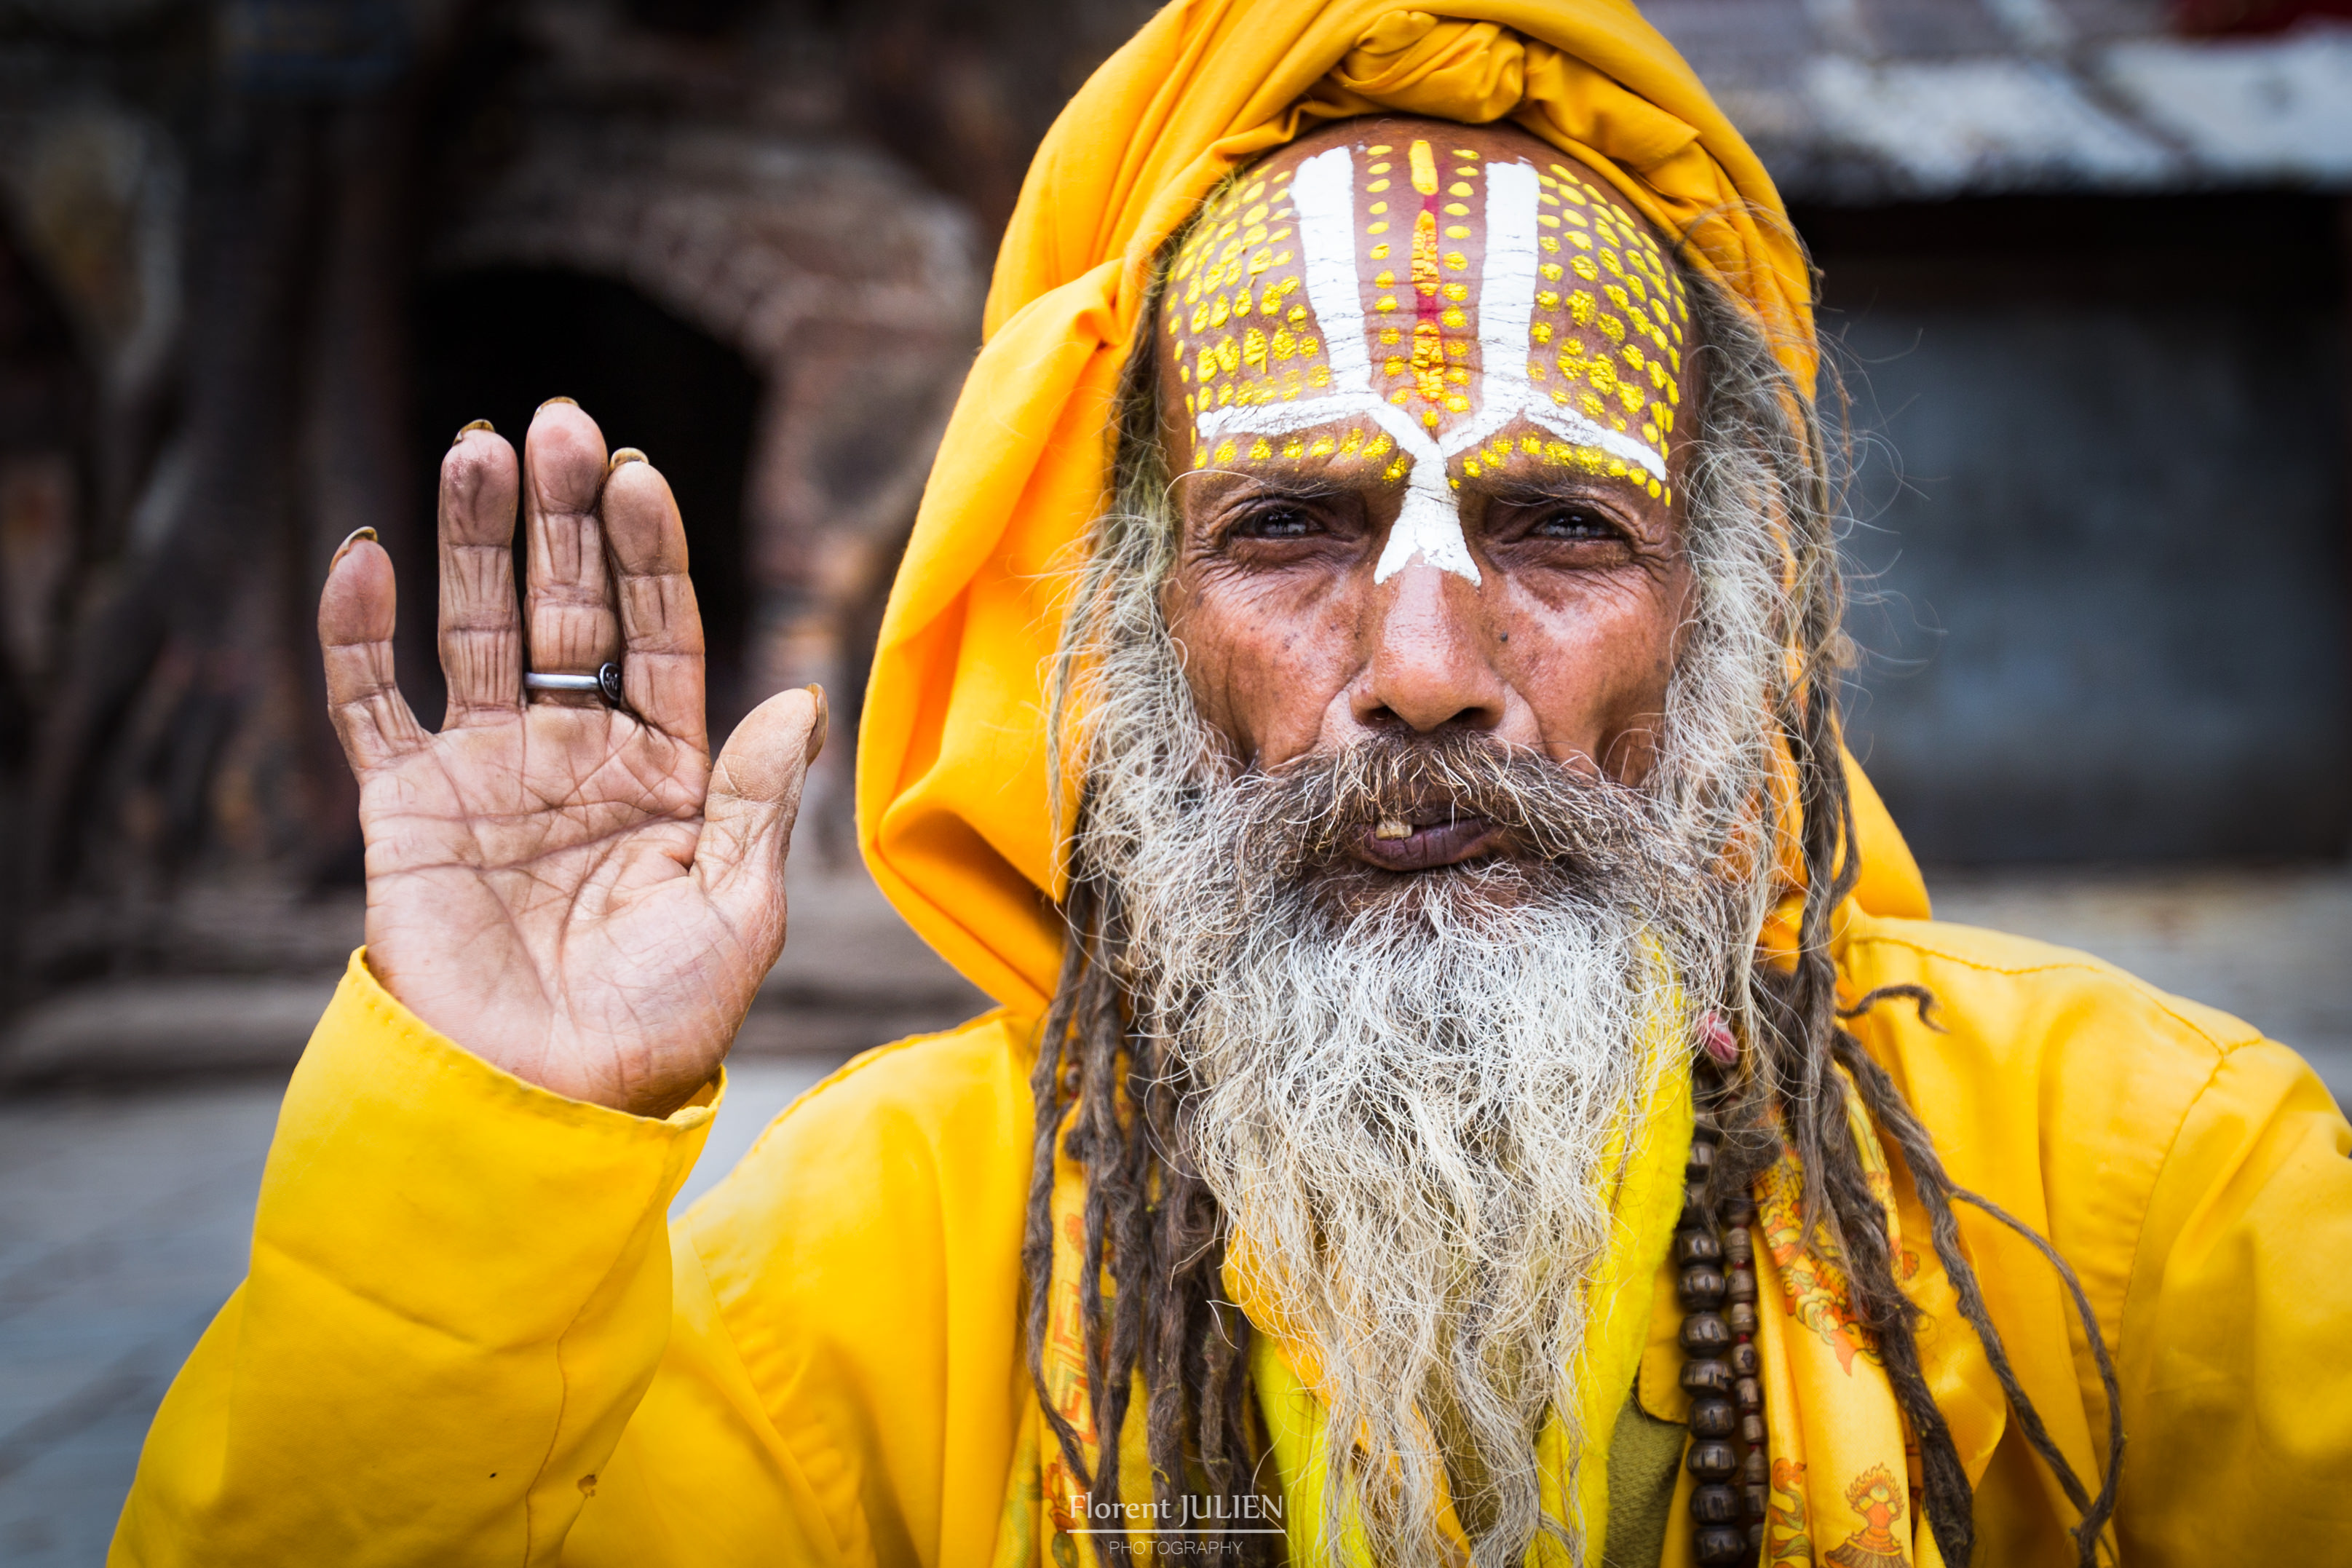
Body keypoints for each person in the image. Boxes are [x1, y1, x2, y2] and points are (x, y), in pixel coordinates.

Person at [112, 4, 2352, 1566]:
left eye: (1563, 531)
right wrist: (484, 1149)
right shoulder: (882, 1264)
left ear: (1735, 617)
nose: (1424, 667)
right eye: (1290, 529)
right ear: (1123, 625)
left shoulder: (2133, 1183)